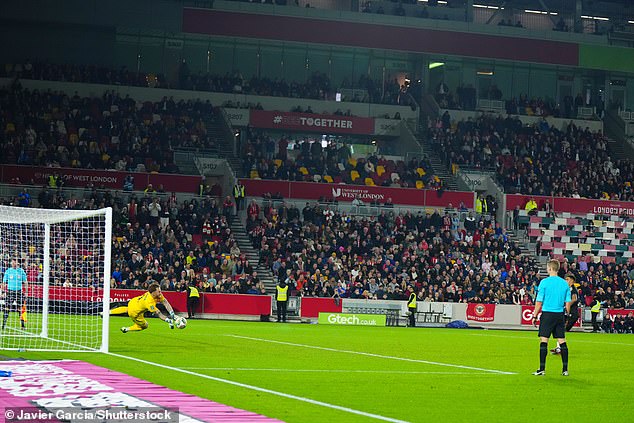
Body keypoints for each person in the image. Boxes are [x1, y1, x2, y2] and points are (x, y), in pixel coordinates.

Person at [532, 260, 571, 376]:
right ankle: (565, 370)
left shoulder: (544, 282)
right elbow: (568, 302)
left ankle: (542, 369)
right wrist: (567, 314)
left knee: (544, 341)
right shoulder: (565, 284)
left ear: (549, 269)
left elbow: (539, 301)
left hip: (547, 314)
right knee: (562, 341)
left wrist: (534, 315)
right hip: (559, 315)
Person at [110, 282, 176, 333]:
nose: (160, 292)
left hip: (133, 302)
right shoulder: (149, 302)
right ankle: (126, 329)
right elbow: (159, 313)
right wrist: (168, 320)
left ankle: (108, 312)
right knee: (144, 326)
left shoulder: (156, 295)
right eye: (158, 291)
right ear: (153, 293)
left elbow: (165, 302)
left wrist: (172, 313)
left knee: (127, 309)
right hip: (135, 312)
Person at [551, 273, 580, 354]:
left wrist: (566, 305)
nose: (565, 281)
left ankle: (560, 348)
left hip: (571, 313)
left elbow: (574, 299)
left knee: (561, 330)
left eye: (567, 279)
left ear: (572, 281)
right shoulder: (567, 289)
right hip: (569, 313)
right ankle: (559, 347)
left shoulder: (572, 289)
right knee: (561, 331)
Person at [2, 258, 28, 330]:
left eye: (14, 262)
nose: (13, 263)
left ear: (17, 263)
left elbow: (25, 282)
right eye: (12, 262)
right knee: (7, 308)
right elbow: (4, 282)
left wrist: (26, 292)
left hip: (19, 292)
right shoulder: (8, 271)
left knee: (20, 309)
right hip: (10, 292)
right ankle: (3, 325)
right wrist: (3, 292)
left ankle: (22, 326)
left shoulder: (21, 271)